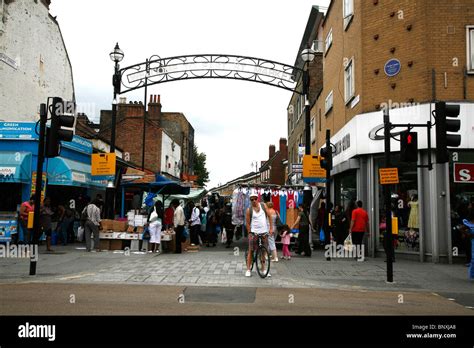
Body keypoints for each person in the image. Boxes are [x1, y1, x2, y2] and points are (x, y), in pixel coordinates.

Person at [245, 191, 273, 277]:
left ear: (258, 199)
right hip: (254, 233)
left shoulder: (263, 206)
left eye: (255, 199)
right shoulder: (249, 210)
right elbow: (248, 223)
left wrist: (271, 228)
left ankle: (263, 269)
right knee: (251, 250)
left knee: (263, 252)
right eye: (252, 199)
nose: (254, 201)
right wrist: (250, 233)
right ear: (250, 200)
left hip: (264, 232)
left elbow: (270, 216)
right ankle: (248, 269)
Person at [461, 209, 474, 280]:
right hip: (473, 241)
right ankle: (472, 275)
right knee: (473, 259)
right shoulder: (470, 223)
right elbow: (461, 228)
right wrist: (468, 234)